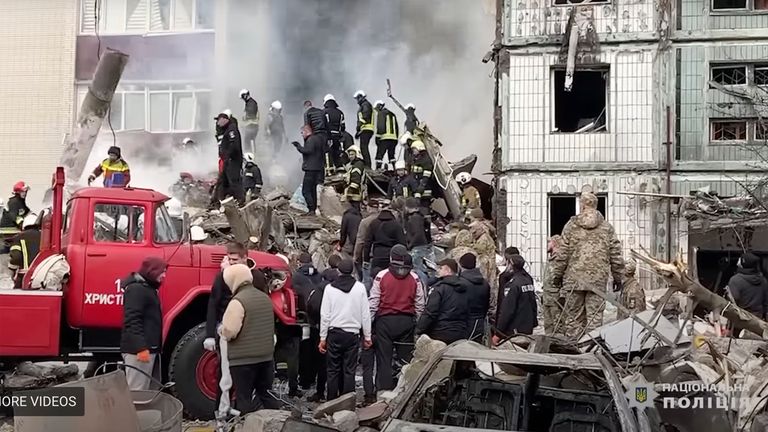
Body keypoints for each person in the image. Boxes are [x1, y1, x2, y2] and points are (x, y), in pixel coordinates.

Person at [550, 192, 624, 339]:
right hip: (597, 281)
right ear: (596, 206)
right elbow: (615, 255)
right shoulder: (607, 228)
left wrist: (557, 276)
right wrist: (618, 278)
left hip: (573, 280)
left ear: (582, 205)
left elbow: (562, 254)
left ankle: (574, 352)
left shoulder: (571, 226)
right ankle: (591, 350)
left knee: (573, 319)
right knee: (595, 320)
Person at [219, 263, 276, 414]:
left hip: (243, 360)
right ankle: (281, 422)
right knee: (266, 394)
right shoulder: (265, 298)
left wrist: (221, 330)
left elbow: (230, 331)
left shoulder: (238, 301)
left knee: (244, 399)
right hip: (266, 357)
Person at [369, 245, 426, 392]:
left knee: (384, 359)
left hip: (385, 322)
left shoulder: (381, 276)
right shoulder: (415, 278)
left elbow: (374, 302)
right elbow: (420, 303)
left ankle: (383, 390)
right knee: (405, 359)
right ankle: (404, 389)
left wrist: (369, 324)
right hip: (406, 322)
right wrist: (419, 325)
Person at [319, 259, 372, 401]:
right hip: (352, 334)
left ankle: (330, 400)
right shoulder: (360, 288)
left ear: (338, 271)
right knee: (349, 370)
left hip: (334, 333)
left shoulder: (329, 289)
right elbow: (365, 314)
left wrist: (322, 338)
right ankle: (348, 402)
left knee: (332, 370)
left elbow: (325, 315)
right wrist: (367, 336)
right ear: (353, 272)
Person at [120, 256, 167, 391]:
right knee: (137, 392)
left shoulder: (147, 289)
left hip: (148, 350)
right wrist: (140, 348)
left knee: (148, 392)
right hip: (139, 352)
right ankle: (134, 413)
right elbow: (132, 321)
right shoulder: (137, 290)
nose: (164, 275)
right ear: (152, 271)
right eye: (162, 272)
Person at [303, 255, 340, 402]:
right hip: (336, 329)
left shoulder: (316, 291)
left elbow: (310, 307)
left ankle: (319, 392)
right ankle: (336, 393)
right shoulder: (340, 292)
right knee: (336, 364)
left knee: (321, 364)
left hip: (318, 330)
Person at [416, 258, 469, 344]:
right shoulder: (465, 289)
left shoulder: (439, 289)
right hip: (460, 333)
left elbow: (430, 312)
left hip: (439, 333)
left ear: (448, 270)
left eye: (441, 268)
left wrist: (419, 329)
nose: (438, 271)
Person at [494, 255, 537, 343]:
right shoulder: (527, 280)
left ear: (511, 264)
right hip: (527, 327)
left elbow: (507, 310)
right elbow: (533, 304)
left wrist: (498, 333)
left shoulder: (513, 285)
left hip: (514, 330)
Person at [363, 204, 407, 278]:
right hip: (392, 256)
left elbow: (367, 243)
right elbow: (402, 243)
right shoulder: (396, 225)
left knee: (376, 278)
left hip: (377, 255)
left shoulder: (374, 223)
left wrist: (366, 259)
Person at [293, 125, 325, 215]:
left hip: (311, 168)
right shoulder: (318, 139)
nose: (302, 135)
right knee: (312, 189)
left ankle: (311, 209)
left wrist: (298, 147)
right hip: (318, 168)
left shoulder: (311, 140)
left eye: (302, 133)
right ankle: (313, 209)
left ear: (307, 131)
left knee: (306, 190)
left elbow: (308, 150)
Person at [215, 110, 246, 205]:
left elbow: (234, 145)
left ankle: (240, 200)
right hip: (228, 160)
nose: (217, 123)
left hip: (233, 160)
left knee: (234, 180)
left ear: (225, 119)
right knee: (222, 181)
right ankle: (217, 201)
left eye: (219, 120)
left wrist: (228, 155)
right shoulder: (226, 130)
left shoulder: (232, 129)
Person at [458, 253, 490, 343]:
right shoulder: (485, 283)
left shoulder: (460, 283)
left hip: (463, 324)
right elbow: (487, 304)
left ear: (460, 265)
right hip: (479, 323)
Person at [8, 214, 41, 289]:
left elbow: (16, 257)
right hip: (42, 275)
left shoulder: (18, 237)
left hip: (24, 276)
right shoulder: (45, 236)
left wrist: (12, 272)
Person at [541, 235, 565, 335]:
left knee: (558, 325)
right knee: (548, 325)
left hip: (556, 298)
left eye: (549, 242)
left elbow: (565, 278)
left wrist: (563, 295)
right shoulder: (551, 259)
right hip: (548, 297)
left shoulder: (560, 260)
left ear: (554, 243)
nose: (547, 245)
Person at [355, 206, 381, 286]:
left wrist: (356, 255)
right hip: (384, 255)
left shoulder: (365, 222)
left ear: (369, 208)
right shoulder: (386, 220)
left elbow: (360, 241)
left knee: (367, 281)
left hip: (369, 255)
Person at [373, 100, 399, 171]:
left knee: (379, 155)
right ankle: (395, 169)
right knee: (392, 155)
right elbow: (397, 128)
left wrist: (377, 137)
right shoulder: (393, 114)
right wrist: (396, 138)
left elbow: (380, 126)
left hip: (384, 138)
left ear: (379, 106)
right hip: (393, 139)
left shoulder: (381, 113)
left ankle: (378, 169)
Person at [323, 94, 346, 174]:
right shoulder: (340, 113)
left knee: (328, 153)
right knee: (337, 153)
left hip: (328, 137)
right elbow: (343, 127)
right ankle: (340, 169)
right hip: (338, 137)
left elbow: (323, 125)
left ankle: (330, 171)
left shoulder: (324, 112)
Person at [410, 140, 434, 210]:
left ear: (420, 148)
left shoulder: (425, 160)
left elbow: (426, 177)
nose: (413, 151)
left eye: (414, 149)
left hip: (424, 190)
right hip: (416, 188)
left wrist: (420, 188)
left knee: (424, 208)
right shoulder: (415, 159)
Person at [354, 90, 374, 168]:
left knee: (364, 147)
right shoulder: (364, 105)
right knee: (363, 147)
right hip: (365, 129)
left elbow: (365, 116)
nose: (357, 101)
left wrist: (358, 127)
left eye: (357, 98)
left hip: (366, 128)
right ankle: (367, 164)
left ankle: (367, 165)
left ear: (361, 97)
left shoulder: (365, 105)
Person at [240, 89, 260, 153]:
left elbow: (252, 114)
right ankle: (249, 154)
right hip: (250, 124)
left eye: (243, 97)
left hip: (251, 124)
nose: (243, 99)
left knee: (249, 140)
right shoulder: (249, 103)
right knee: (248, 140)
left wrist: (245, 117)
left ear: (246, 95)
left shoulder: (251, 103)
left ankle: (251, 154)